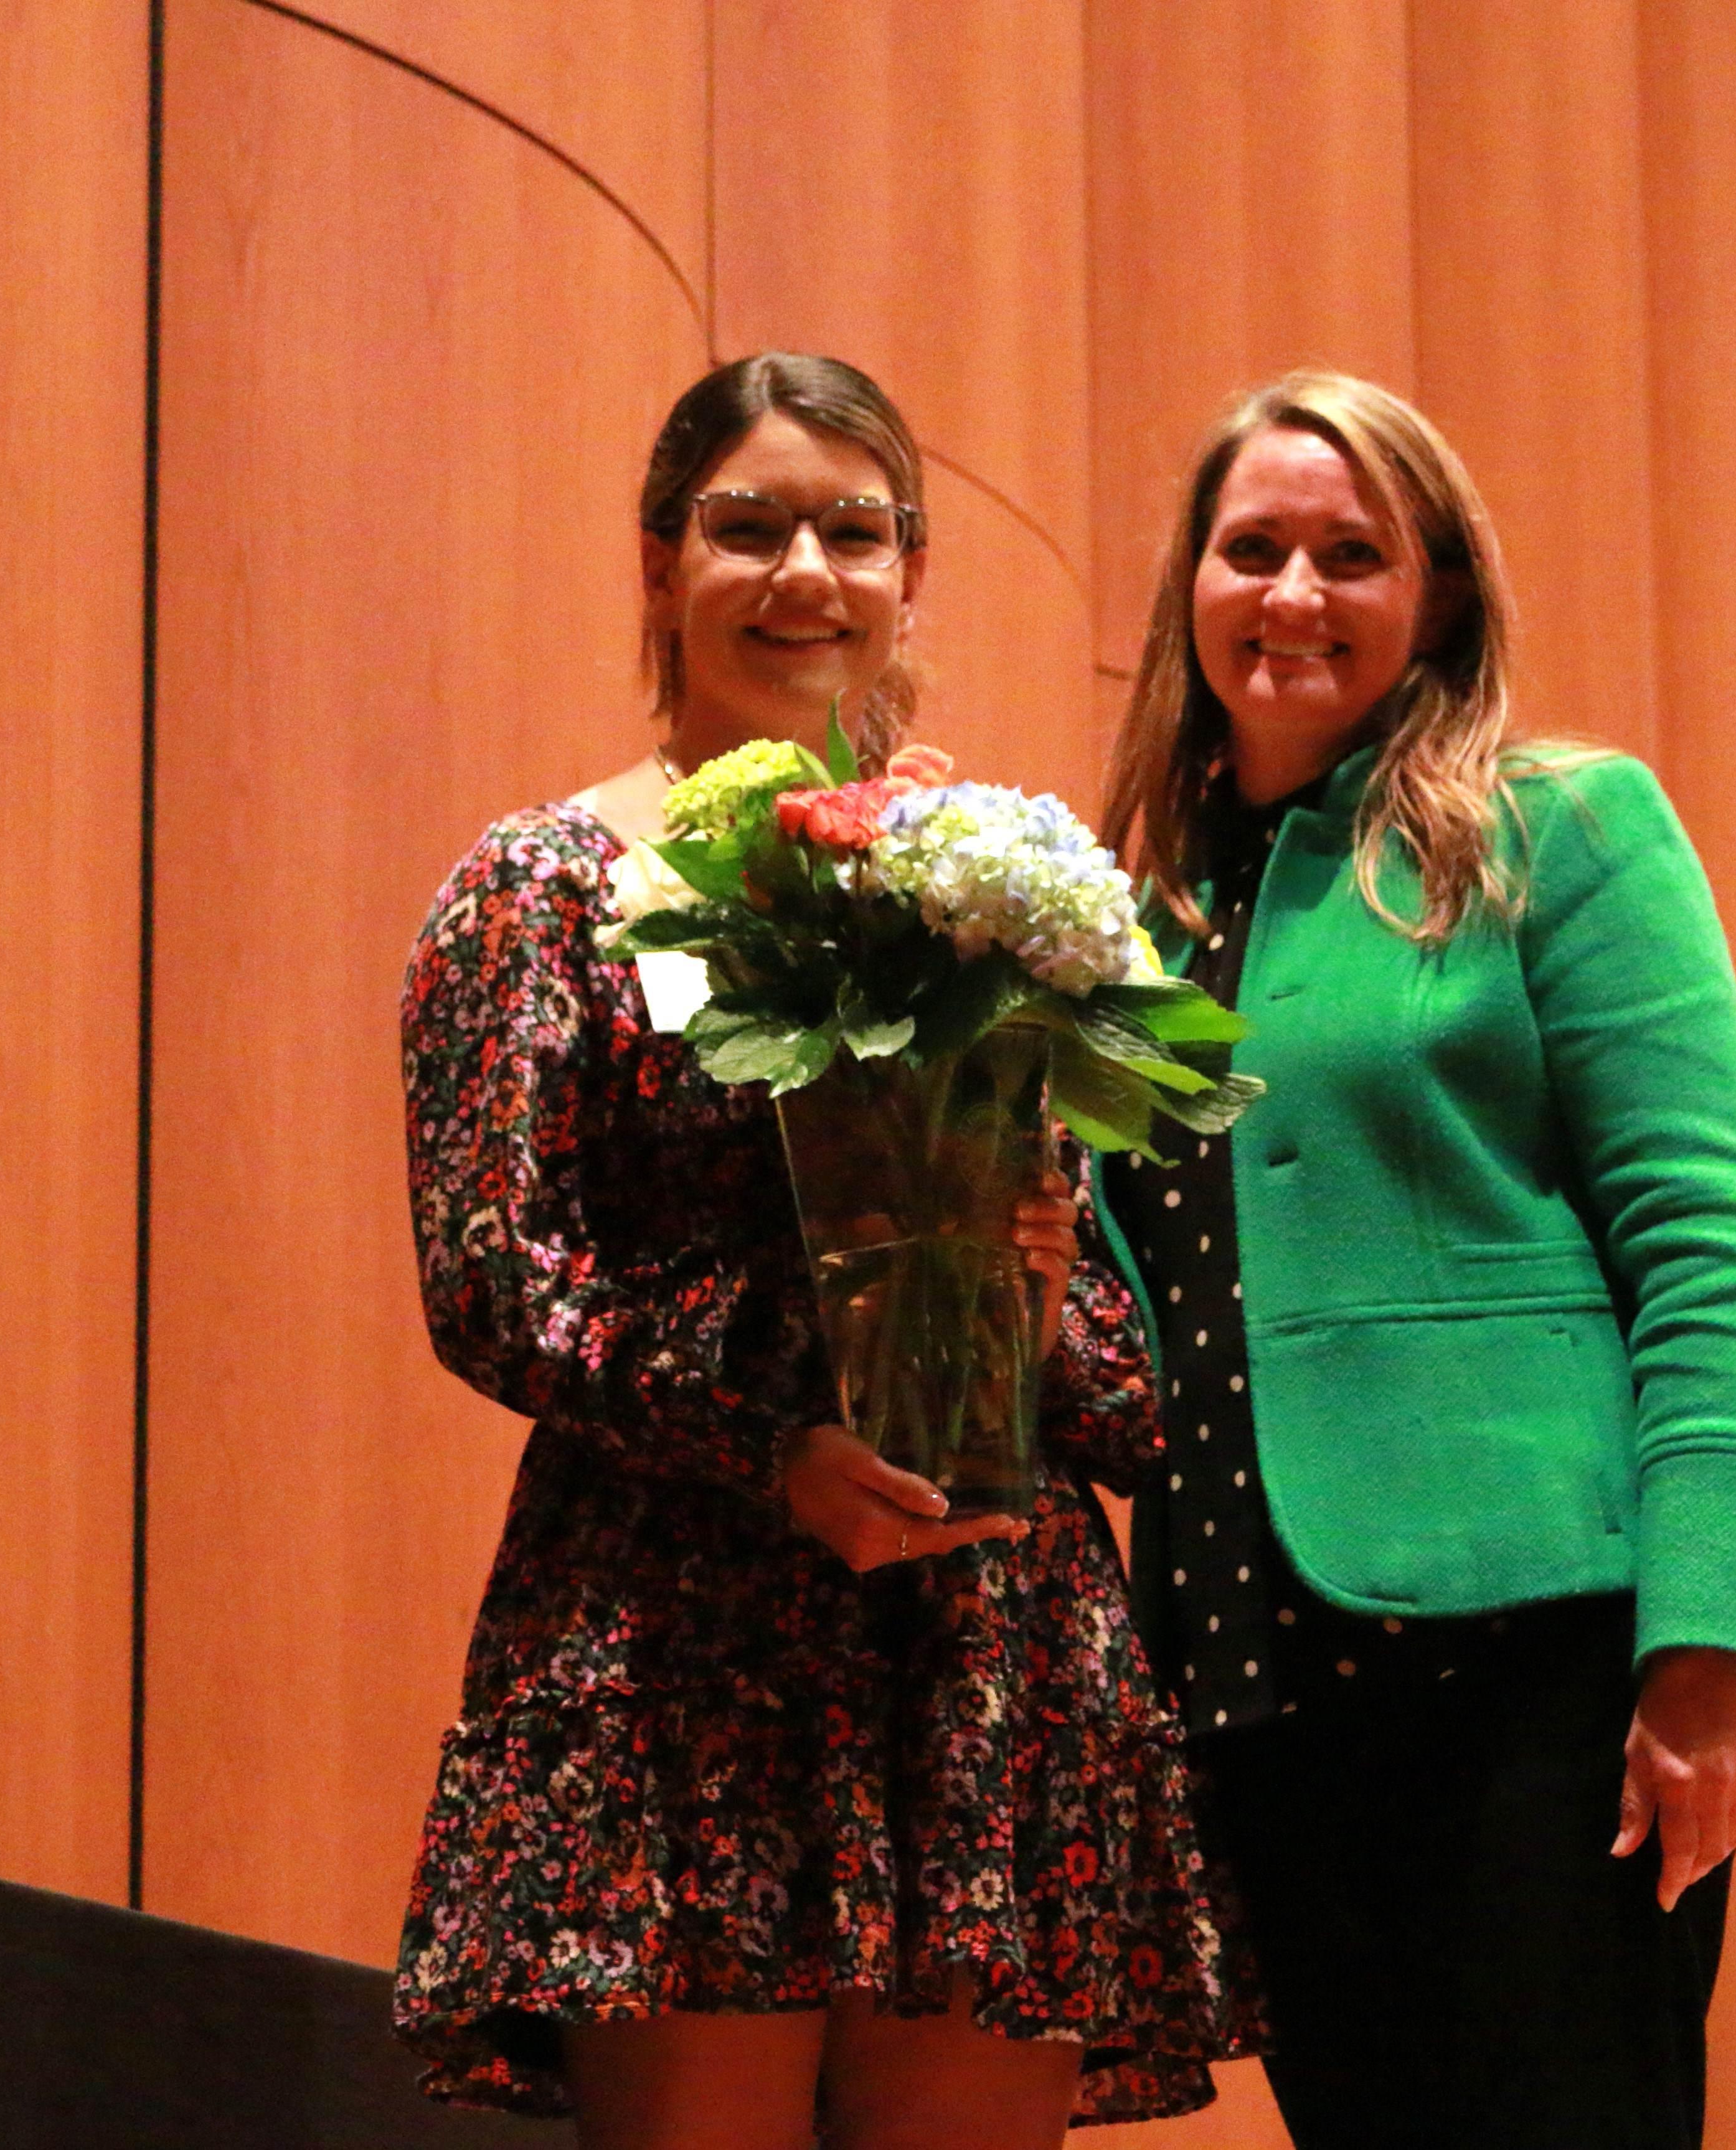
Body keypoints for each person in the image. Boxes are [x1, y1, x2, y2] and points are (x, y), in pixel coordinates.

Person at [390, 352, 1253, 2150]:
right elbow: (497, 1280)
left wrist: (1024, 1288)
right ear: (656, 565)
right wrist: (771, 1451)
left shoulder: (994, 883)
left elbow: (1126, 1368)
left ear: (911, 576)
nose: (806, 573)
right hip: (680, 1645)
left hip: (984, 1649)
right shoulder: (538, 886)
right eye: (748, 526)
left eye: (855, 531)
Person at [1095, 370, 1736, 2150]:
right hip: (1251, 1687)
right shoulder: (1135, 917)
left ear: (1440, 601)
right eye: (1251, 549)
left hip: (1531, 1675)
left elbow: (1713, 1248)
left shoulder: (1557, 830)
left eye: (1354, 555)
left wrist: (1709, 1645)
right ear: (1190, 586)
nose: (1294, 595)